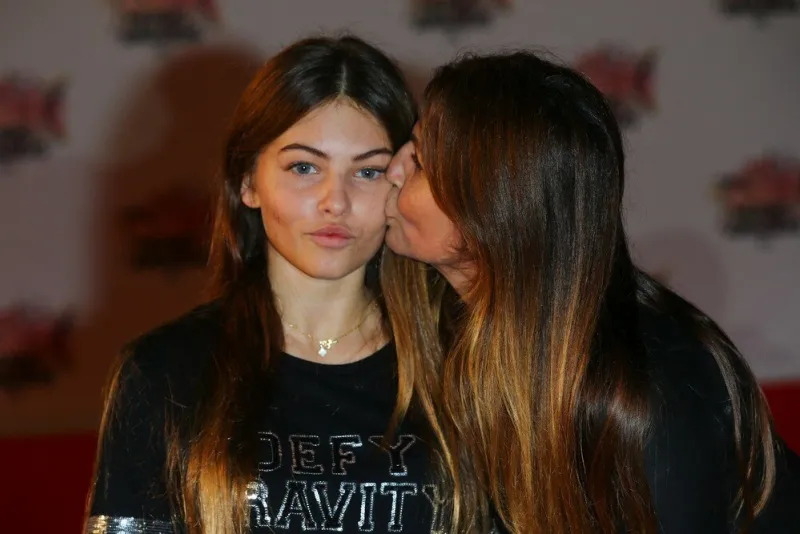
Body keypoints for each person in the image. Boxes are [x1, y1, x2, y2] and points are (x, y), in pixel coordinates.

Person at [383, 51, 800, 533]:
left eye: (419, 162)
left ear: (491, 207)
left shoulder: (648, 384)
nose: (393, 169)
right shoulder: (464, 327)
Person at [84, 35, 447, 534]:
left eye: (368, 171)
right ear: (248, 182)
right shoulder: (163, 370)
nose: (335, 201)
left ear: (402, 181)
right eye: (304, 167)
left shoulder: (457, 362)